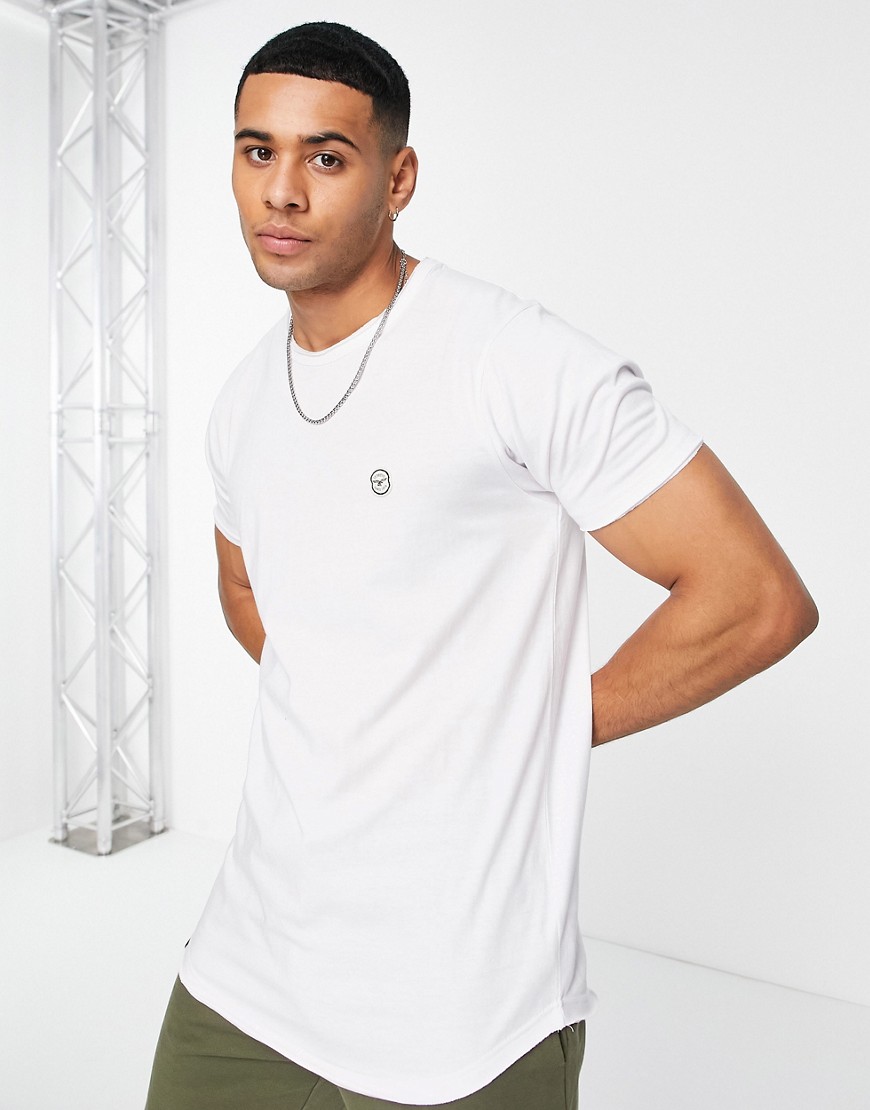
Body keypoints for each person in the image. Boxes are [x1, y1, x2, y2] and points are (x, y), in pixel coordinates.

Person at [145, 20, 818, 1110]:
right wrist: (364, 701)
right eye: (257, 150)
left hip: (463, 1011)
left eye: (326, 157)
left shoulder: (514, 360)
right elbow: (244, 589)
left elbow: (756, 599)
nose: (282, 191)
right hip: (246, 971)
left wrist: (530, 723)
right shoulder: (241, 401)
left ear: (398, 179)